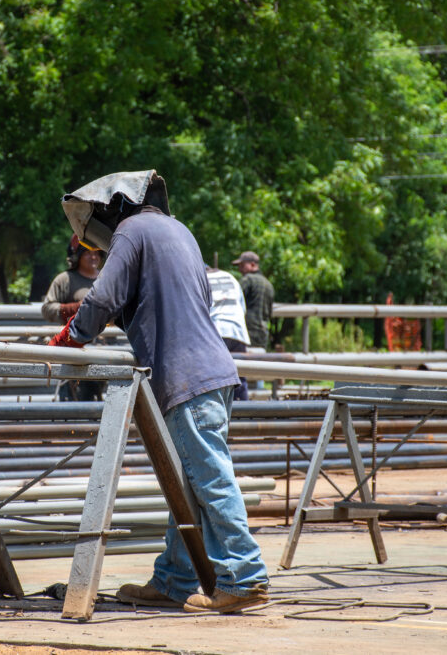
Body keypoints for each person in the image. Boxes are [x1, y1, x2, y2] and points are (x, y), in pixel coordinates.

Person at [49, 170, 269, 613]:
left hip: (186, 378)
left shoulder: (131, 231)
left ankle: (245, 578)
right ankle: (174, 578)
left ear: (112, 211)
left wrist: (70, 337)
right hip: (212, 373)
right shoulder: (178, 230)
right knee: (184, 481)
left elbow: (102, 298)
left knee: (208, 478)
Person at [41, 236, 104, 401]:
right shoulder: (65, 279)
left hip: (104, 349)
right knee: (73, 400)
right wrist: (77, 308)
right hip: (74, 348)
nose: (93, 257)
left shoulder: (107, 280)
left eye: (96, 253)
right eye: (88, 253)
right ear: (77, 256)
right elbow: (47, 308)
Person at [206, 265, 250, 401]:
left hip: (216, 331)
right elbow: (242, 308)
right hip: (238, 331)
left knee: (214, 378)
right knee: (240, 375)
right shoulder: (231, 277)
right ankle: (244, 415)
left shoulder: (203, 278)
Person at [232, 251, 274, 350]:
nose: (239, 269)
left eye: (242, 265)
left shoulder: (247, 280)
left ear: (252, 264)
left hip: (246, 334)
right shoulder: (269, 284)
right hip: (262, 335)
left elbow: (234, 301)